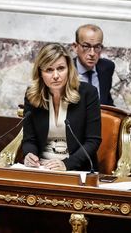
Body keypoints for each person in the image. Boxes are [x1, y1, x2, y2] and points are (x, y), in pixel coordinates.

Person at [22, 43, 101, 171]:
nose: (56, 75)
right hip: (41, 168)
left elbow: (92, 141)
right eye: (49, 70)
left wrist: (67, 164)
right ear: (40, 72)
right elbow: (29, 140)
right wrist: (29, 155)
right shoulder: (32, 95)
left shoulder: (88, 93)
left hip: (76, 168)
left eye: (60, 68)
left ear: (69, 69)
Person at [72, 24, 115, 106]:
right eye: (86, 46)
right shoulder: (66, 70)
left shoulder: (106, 68)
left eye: (97, 47)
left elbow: (107, 102)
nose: (92, 53)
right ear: (75, 47)